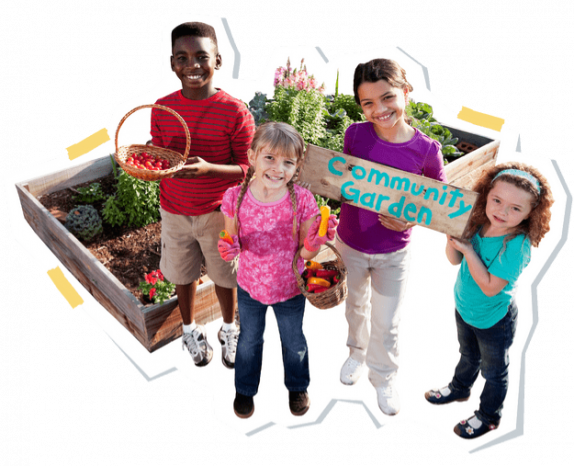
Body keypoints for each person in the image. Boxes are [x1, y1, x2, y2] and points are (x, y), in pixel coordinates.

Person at [335, 58, 448, 415]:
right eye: (368, 103)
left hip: (392, 252)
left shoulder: (426, 150)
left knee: (387, 320)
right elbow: (344, 180)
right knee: (354, 307)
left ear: (405, 93)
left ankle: (383, 377)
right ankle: (355, 353)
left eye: (387, 98)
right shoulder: (355, 134)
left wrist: (410, 219)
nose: (379, 110)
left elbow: (438, 201)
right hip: (349, 243)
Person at [149, 22, 255, 368]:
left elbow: (246, 168)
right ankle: (190, 330)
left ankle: (229, 327)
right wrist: (152, 156)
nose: (192, 65)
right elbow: (161, 156)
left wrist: (210, 169)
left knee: (226, 275)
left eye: (201, 56)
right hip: (174, 211)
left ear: (219, 61)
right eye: (183, 57)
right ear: (172, 64)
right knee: (182, 274)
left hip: (217, 213)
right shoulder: (162, 108)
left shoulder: (235, 111)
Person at [218, 121, 338, 419]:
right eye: (269, 158)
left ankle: (298, 386)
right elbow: (230, 238)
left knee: (293, 339)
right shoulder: (236, 197)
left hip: (290, 288)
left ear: (297, 167)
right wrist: (228, 248)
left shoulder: (303, 201)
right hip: (249, 287)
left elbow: (306, 252)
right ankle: (244, 391)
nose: (277, 168)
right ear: (252, 157)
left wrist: (315, 241)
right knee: (248, 341)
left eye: (288, 162)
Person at [425, 162, 553, 439]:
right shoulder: (478, 220)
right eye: (496, 200)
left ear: (532, 213)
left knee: (494, 372)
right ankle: (459, 389)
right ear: (486, 195)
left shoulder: (517, 245)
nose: (502, 212)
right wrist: (452, 239)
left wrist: (469, 250)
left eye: (516, 208)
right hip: (464, 307)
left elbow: (491, 287)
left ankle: (489, 416)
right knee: (468, 354)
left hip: (494, 319)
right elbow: (453, 259)